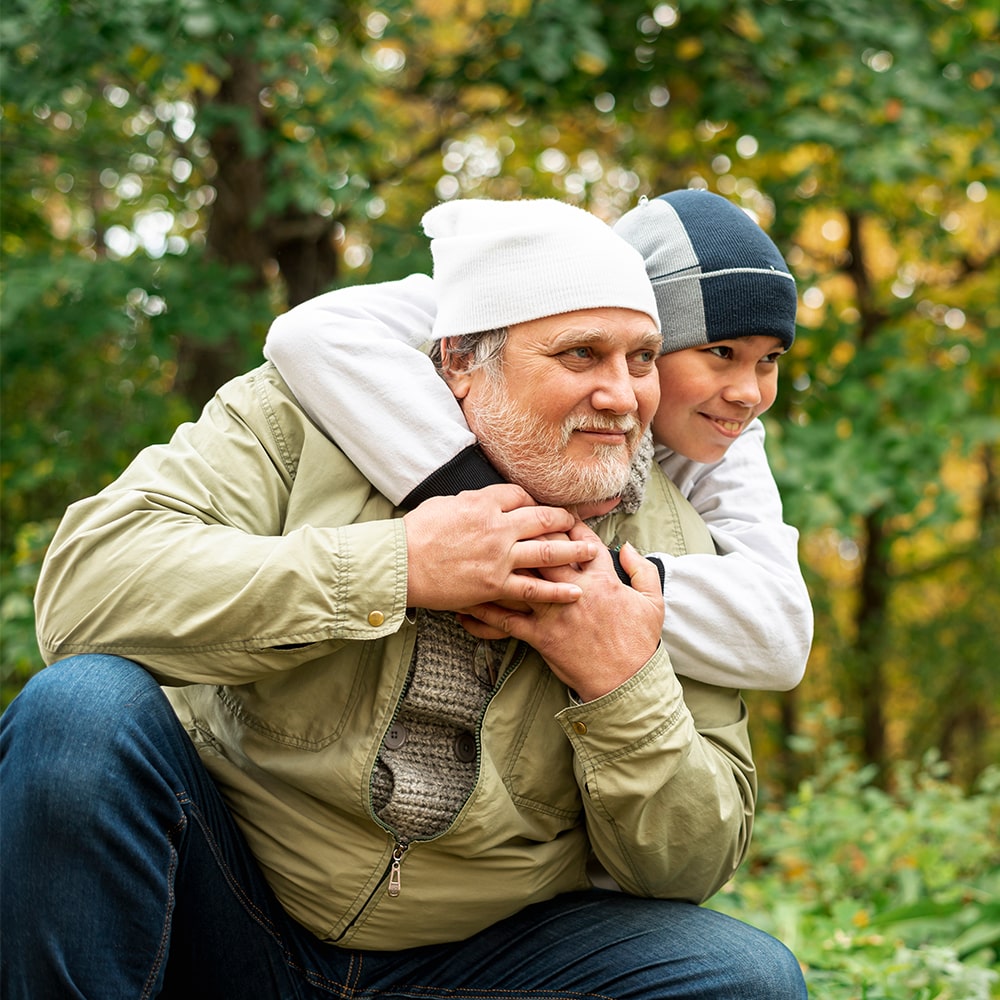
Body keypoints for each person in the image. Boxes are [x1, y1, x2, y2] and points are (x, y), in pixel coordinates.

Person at [1, 197, 807, 998]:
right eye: (580, 355)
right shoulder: (301, 419)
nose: (623, 395)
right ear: (460, 359)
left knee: (747, 980)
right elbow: (85, 589)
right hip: (226, 904)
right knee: (80, 712)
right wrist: (397, 566)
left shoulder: (682, 550)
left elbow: (692, 864)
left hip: (480, 961)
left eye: (640, 359)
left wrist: (620, 684)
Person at [264, 189, 813, 691]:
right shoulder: (511, 296)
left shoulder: (731, 439)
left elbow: (780, 635)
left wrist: (582, 573)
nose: (748, 392)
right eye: (721, 353)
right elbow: (309, 333)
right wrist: (477, 499)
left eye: (770, 360)